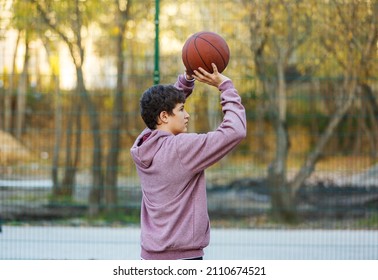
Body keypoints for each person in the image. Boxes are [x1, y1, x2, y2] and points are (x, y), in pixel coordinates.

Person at [130, 63, 247, 260]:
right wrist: (226, 86)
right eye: (182, 109)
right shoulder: (181, 148)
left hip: (149, 257)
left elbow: (161, 109)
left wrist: (187, 80)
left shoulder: (142, 144)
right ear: (164, 116)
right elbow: (235, 130)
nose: (187, 115)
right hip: (182, 259)